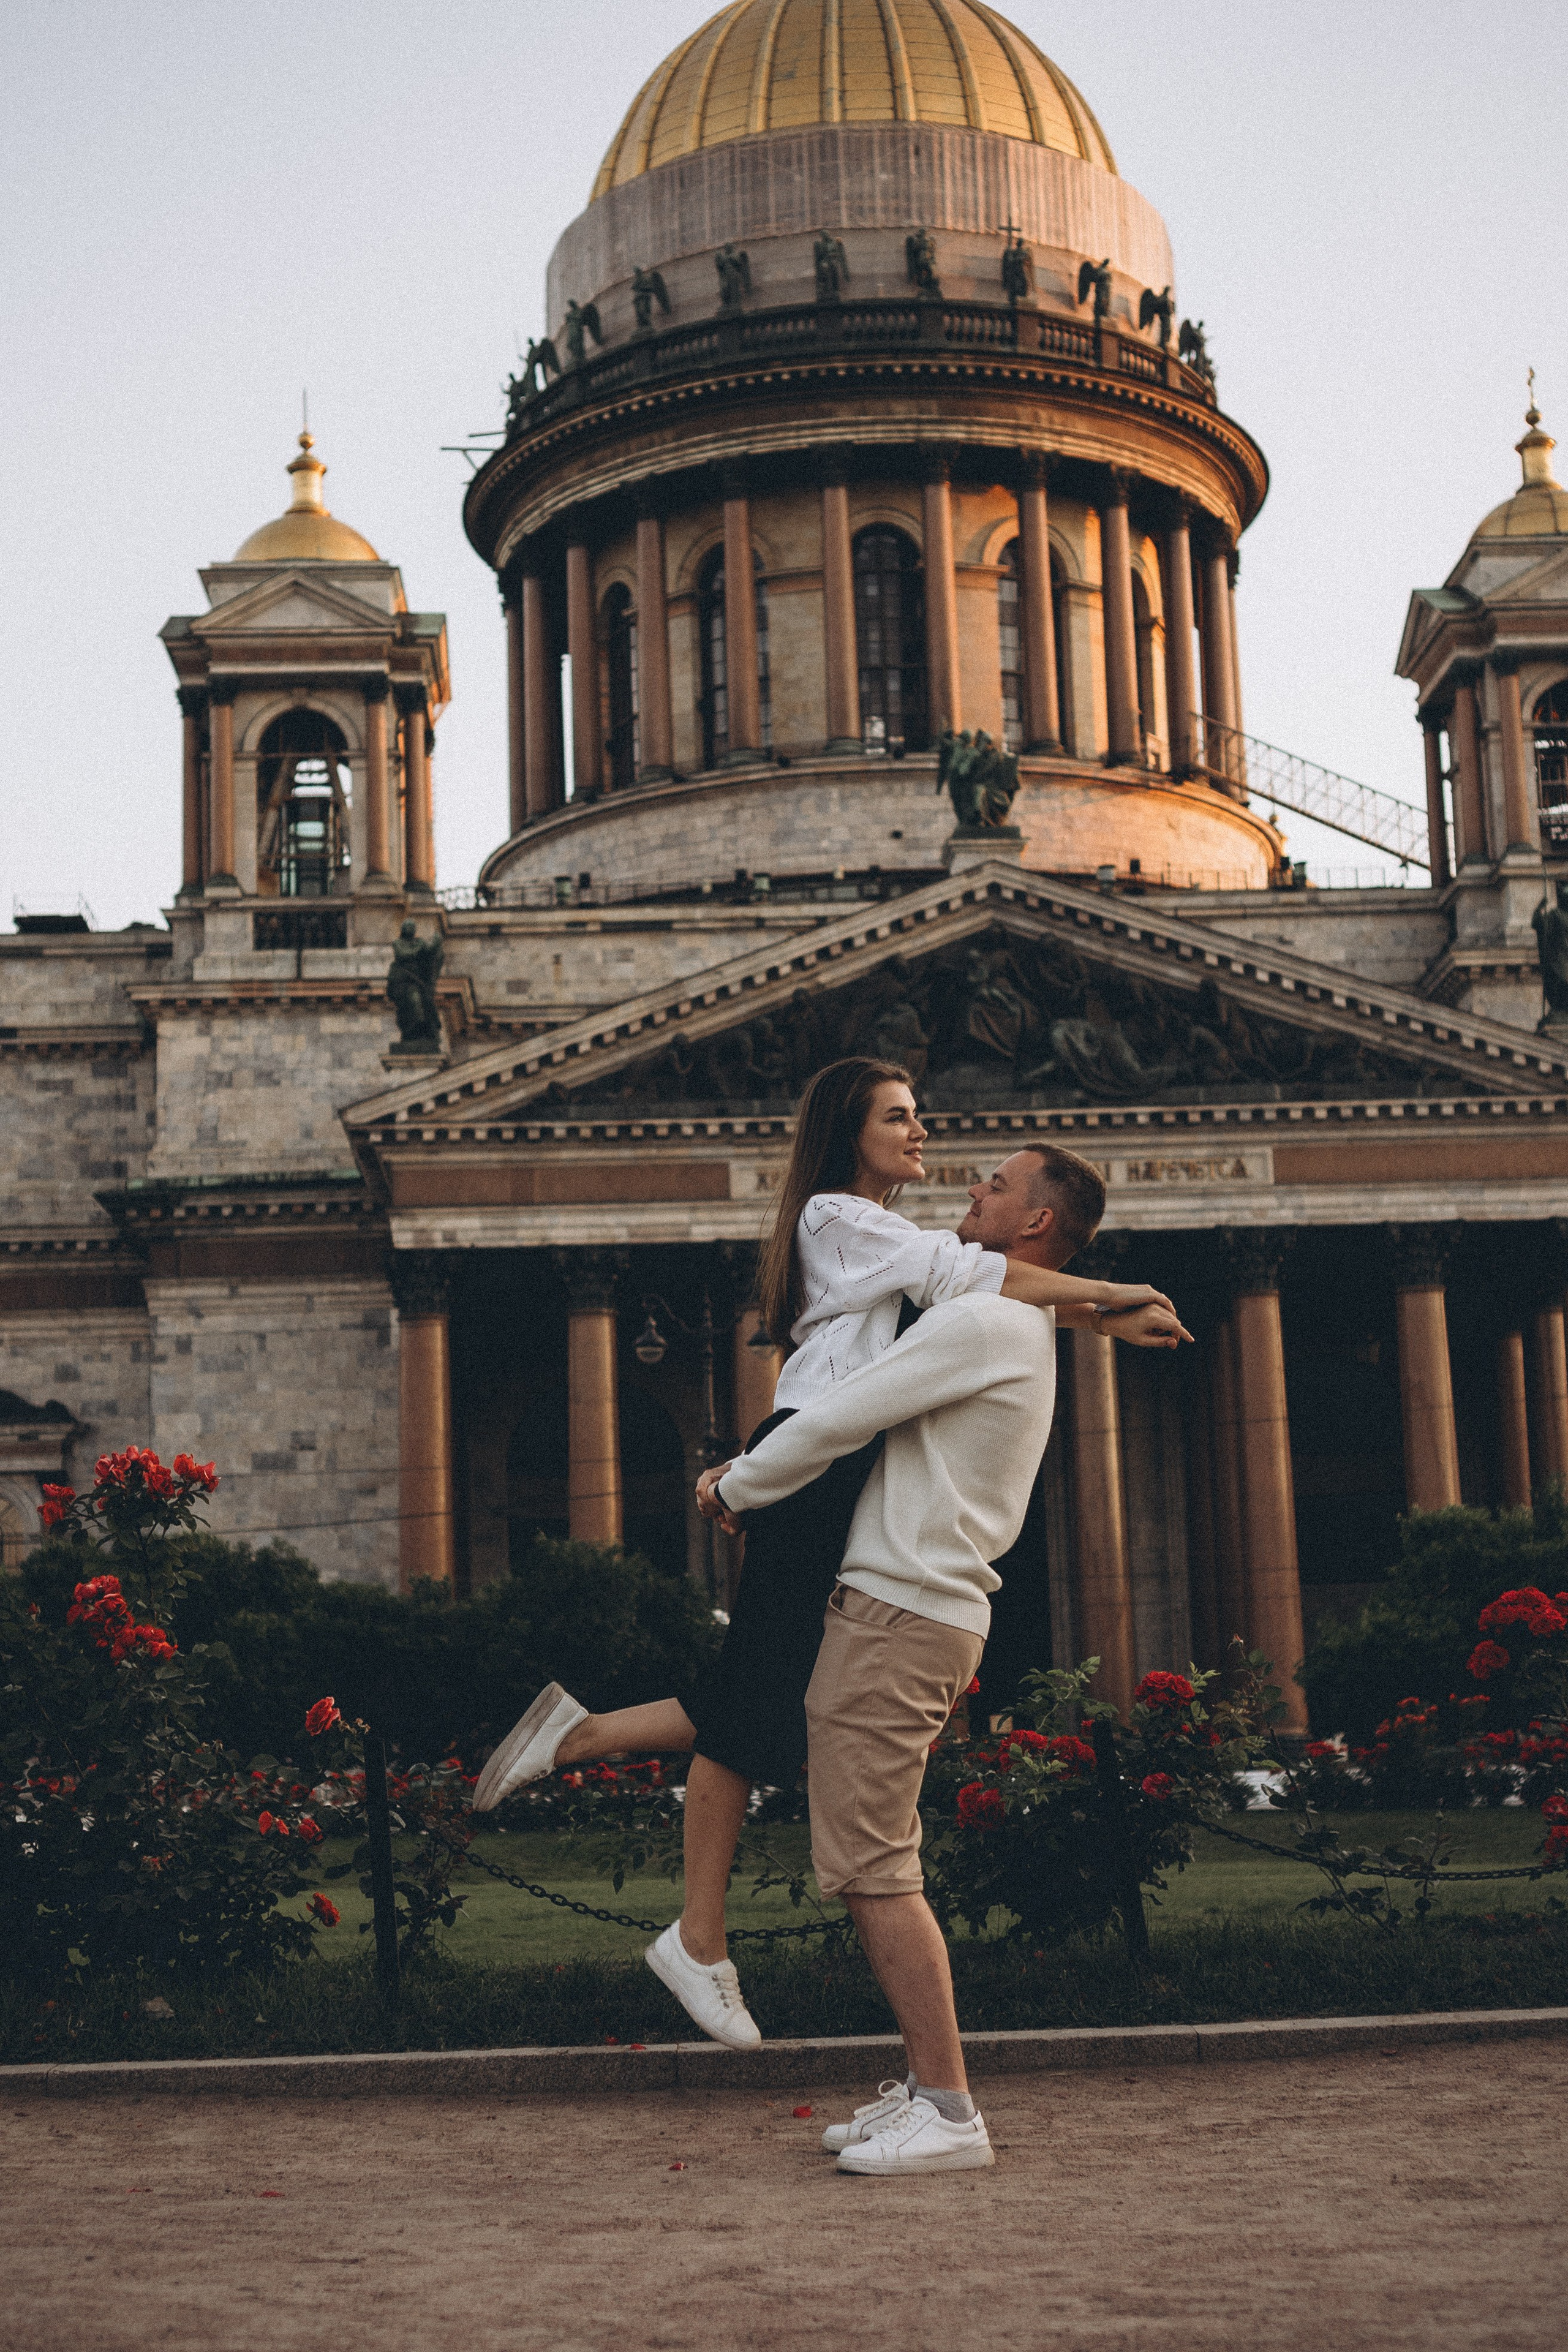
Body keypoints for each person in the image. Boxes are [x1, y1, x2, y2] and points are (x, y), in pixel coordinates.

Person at [471, 1060, 1185, 2051]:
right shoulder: (834, 1216)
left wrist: (1100, 1314)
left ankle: (600, 1769)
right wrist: (1112, 1293)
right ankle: (689, 1922)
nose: (924, 1135)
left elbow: (982, 1303)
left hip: (822, 1461)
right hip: (814, 1453)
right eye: (899, 1117)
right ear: (846, 1130)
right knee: (759, 1697)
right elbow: (971, 1286)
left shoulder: (893, 1235)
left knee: (767, 1690)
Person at [698, 1141, 1189, 2173]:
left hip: (898, 1617)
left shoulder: (986, 1321)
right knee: (874, 1861)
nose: (972, 1189)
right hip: (910, 1613)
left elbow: (836, 1415)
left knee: (878, 1868)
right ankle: (925, 2090)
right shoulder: (1011, 1323)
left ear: (1036, 1225)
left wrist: (734, 1488)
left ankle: (951, 2113)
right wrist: (1103, 1305)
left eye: (996, 1186)